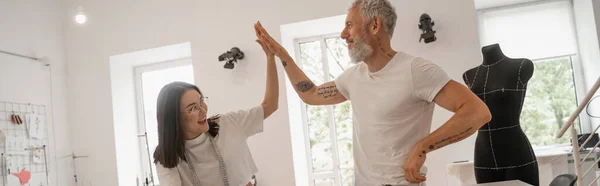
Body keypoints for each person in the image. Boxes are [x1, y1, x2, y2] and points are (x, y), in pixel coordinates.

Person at [254, 0, 492, 185]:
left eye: (349, 25)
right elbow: (311, 94)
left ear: (375, 25)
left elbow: (477, 112)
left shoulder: (415, 70)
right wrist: (281, 54)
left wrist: (422, 147)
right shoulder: (353, 76)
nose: (343, 34)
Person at [153, 28, 279, 186]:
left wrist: (270, 57)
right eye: (192, 108)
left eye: (201, 101)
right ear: (174, 119)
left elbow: (270, 104)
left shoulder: (228, 124)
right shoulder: (166, 157)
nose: (203, 110)